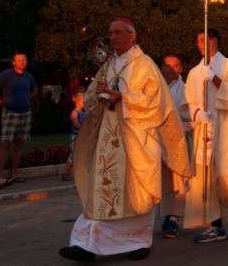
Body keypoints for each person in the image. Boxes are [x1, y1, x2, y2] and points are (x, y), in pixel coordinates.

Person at [59, 18, 191, 262]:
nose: (113, 37)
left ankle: (140, 241)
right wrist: (98, 94)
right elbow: (90, 97)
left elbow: (157, 103)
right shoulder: (108, 65)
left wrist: (124, 98)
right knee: (101, 189)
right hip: (108, 142)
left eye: (118, 32)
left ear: (132, 36)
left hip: (137, 140)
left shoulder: (145, 65)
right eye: (110, 33)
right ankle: (85, 244)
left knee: (136, 193)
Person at [184, 28, 228, 243]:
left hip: (225, 124)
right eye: (197, 40)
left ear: (215, 40)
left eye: (203, 39)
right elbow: (189, 101)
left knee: (225, 173)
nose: (199, 44)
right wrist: (196, 112)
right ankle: (215, 225)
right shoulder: (194, 72)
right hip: (204, 127)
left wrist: (214, 78)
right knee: (206, 179)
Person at [0, 52, 37, 182]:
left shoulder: (28, 76)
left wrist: (26, 99)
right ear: (14, 62)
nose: (22, 62)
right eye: (19, 60)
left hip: (25, 113)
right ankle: (0, 175)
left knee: (20, 143)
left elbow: (34, 90)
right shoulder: (6, 75)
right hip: (10, 113)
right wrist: (1, 102)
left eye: (24, 60)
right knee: (6, 143)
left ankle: (13, 173)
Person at [159, 53, 192, 239]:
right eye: (168, 66)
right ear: (162, 68)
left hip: (177, 142)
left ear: (180, 69)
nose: (172, 69)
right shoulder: (155, 86)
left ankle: (173, 219)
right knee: (158, 181)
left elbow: (189, 116)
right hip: (156, 141)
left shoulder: (186, 90)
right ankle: (164, 216)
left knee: (178, 182)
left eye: (175, 66)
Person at [61, 93, 85, 181]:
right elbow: (76, 124)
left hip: (80, 136)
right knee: (73, 155)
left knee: (78, 155)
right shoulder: (75, 113)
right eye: (83, 100)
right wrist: (85, 128)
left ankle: (76, 173)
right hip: (75, 136)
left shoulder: (82, 112)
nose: (84, 102)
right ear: (78, 101)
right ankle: (65, 173)